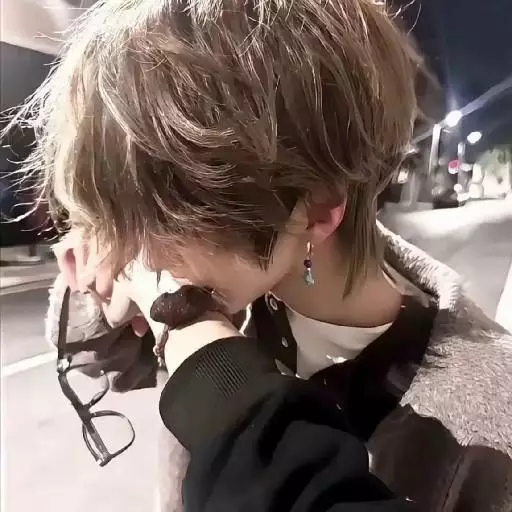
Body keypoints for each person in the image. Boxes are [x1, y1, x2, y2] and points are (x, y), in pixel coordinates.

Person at [9, 0, 512, 509]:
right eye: (119, 208)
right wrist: (102, 276)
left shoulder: (492, 415)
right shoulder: (244, 292)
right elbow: (94, 354)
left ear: (316, 209)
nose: (135, 256)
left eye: (162, 210)